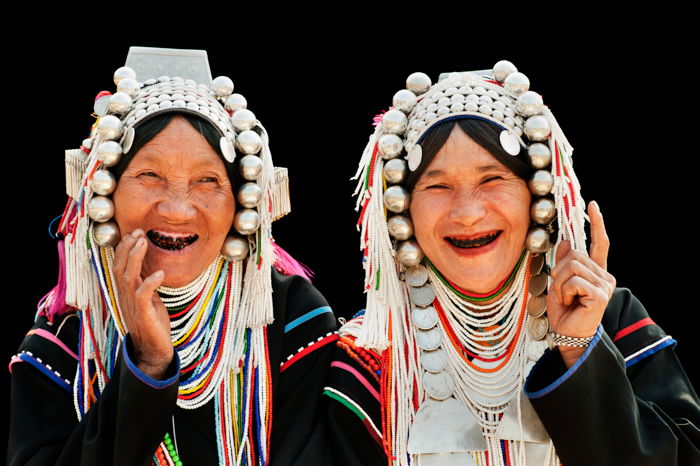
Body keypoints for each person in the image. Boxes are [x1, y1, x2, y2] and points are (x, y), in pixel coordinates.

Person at [324, 62, 700, 465]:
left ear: (539, 195)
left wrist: (578, 348)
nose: (467, 213)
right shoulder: (370, 355)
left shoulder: (608, 316)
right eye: (437, 186)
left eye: (492, 179)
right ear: (401, 211)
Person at [7, 47, 337, 465]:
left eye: (207, 180)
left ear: (242, 202)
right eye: (149, 175)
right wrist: (148, 362)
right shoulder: (65, 342)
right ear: (104, 190)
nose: (178, 210)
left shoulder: (292, 320)